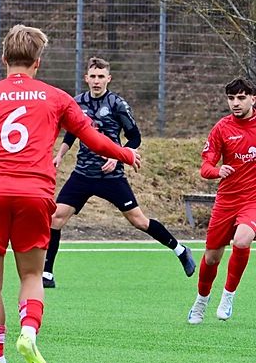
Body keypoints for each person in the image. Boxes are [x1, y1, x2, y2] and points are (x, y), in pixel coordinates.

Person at [0, 25, 140, 363]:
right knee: (31, 276)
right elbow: (92, 139)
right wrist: (126, 153)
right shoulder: (56, 98)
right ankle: (28, 333)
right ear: (38, 62)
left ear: (4, 59)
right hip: (33, 193)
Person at [43, 57, 195, 288]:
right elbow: (72, 132)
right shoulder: (77, 103)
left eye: (101, 76)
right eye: (92, 76)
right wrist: (60, 154)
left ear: (108, 79)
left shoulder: (117, 104)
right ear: (86, 78)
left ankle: (180, 250)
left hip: (111, 176)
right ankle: (47, 274)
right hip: (83, 174)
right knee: (56, 219)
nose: (96, 81)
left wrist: (117, 157)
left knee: (139, 222)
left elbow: (135, 137)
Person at [187, 77, 256, 324]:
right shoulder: (222, 128)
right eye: (231, 98)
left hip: (253, 200)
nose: (235, 103)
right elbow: (205, 167)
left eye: (241, 98)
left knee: (242, 239)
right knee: (211, 258)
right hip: (226, 201)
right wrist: (218, 171)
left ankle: (228, 296)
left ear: (252, 98)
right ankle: (200, 302)